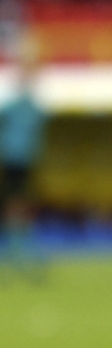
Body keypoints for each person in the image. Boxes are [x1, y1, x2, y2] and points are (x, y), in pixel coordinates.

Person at [0, 40, 48, 281]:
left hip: (24, 160)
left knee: (20, 206)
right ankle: (16, 253)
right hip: (14, 160)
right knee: (16, 206)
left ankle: (18, 252)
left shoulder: (31, 105)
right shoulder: (18, 105)